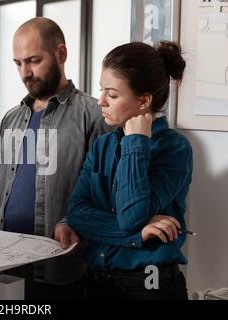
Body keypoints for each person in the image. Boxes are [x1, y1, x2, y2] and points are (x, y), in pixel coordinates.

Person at [0, 17, 106, 299]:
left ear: (61, 54)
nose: (25, 72)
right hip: (6, 265)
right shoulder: (13, 118)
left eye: (34, 60)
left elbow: (101, 192)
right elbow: (1, 182)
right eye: (18, 63)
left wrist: (71, 221)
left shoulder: (92, 115)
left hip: (59, 270)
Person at [62, 41, 192, 300]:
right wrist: (138, 234)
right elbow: (76, 213)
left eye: (112, 94)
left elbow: (132, 216)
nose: (100, 102)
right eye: (102, 91)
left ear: (144, 100)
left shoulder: (174, 148)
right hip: (96, 284)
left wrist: (136, 142)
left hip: (148, 287)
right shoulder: (102, 145)